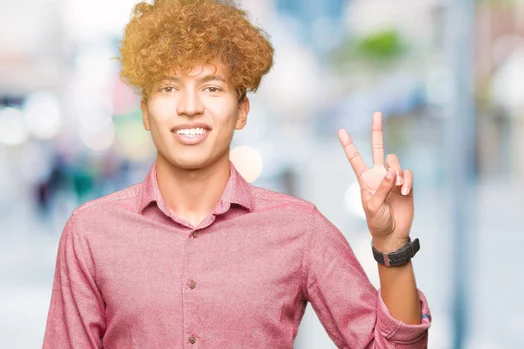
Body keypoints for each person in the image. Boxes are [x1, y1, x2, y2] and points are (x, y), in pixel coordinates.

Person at [42, 0, 432, 347]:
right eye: (168, 88)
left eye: (211, 88)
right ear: (145, 111)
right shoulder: (90, 232)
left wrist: (391, 243)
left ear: (242, 110)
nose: (190, 106)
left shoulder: (300, 229)